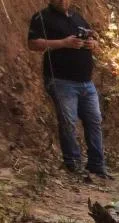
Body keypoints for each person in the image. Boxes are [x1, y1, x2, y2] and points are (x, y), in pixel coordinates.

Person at [27, 0, 112, 179]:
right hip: (61, 80)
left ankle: (97, 164)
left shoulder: (77, 17)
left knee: (94, 120)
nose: (63, 1)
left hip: (86, 82)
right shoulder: (42, 17)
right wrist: (64, 43)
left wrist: (92, 44)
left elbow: (93, 38)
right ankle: (73, 163)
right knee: (69, 122)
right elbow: (33, 43)